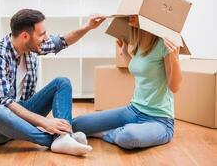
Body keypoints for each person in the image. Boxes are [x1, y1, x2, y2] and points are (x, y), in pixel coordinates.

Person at [0, 9, 105, 156]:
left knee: (62, 82)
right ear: (25, 36)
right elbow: (5, 102)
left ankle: (64, 136)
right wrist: (44, 122)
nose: (46, 37)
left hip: (22, 113)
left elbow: (62, 41)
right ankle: (58, 139)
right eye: (42, 34)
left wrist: (88, 26)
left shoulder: (31, 46)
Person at [73, 15, 181, 149]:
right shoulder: (140, 42)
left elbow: (174, 87)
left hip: (159, 120)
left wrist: (175, 59)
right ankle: (117, 130)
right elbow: (139, 70)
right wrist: (124, 51)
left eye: (134, 14)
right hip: (133, 110)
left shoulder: (164, 45)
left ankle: (104, 133)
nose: (130, 17)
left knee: (128, 137)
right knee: (77, 124)